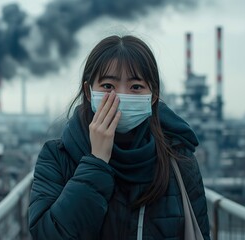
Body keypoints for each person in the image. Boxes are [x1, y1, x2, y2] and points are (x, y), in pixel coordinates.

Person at [29, 35, 210, 239]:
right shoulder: (57, 157)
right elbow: (48, 234)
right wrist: (96, 162)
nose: (120, 97)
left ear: (154, 96)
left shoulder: (178, 158)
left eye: (136, 87)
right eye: (108, 86)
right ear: (89, 92)